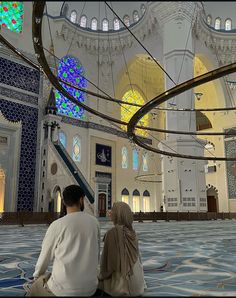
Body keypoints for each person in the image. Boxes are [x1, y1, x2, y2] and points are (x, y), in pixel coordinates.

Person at [27, 185, 100, 296]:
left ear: (64, 202)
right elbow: (97, 253)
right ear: (81, 200)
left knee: (34, 289)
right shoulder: (94, 222)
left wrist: (37, 276)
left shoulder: (57, 225)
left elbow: (45, 256)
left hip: (62, 290)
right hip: (91, 287)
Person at [98, 202, 146, 296]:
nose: (110, 212)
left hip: (122, 288)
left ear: (118, 214)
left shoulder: (112, 233)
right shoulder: (133, 233)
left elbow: (107, 266)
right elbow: (138, 260)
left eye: (112, 210)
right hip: (138, 285)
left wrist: (99, 276)